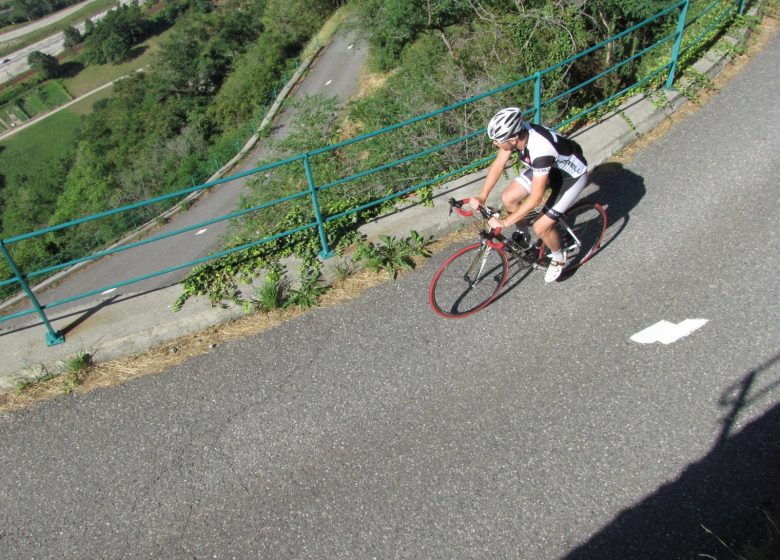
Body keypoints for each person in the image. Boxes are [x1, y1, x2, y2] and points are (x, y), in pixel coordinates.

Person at [468, 107, 589, 282]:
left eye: (497, 141)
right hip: (549, 169)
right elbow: (498, 164)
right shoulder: (517, 133)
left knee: (541, 226)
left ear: (512, 139)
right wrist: (482, 196)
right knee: (508, 198)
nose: (494, 144)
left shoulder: (540, 149)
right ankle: (524, 236)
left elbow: (535, 199)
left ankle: (558, 256)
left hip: (571, 178)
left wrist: (505, 222)